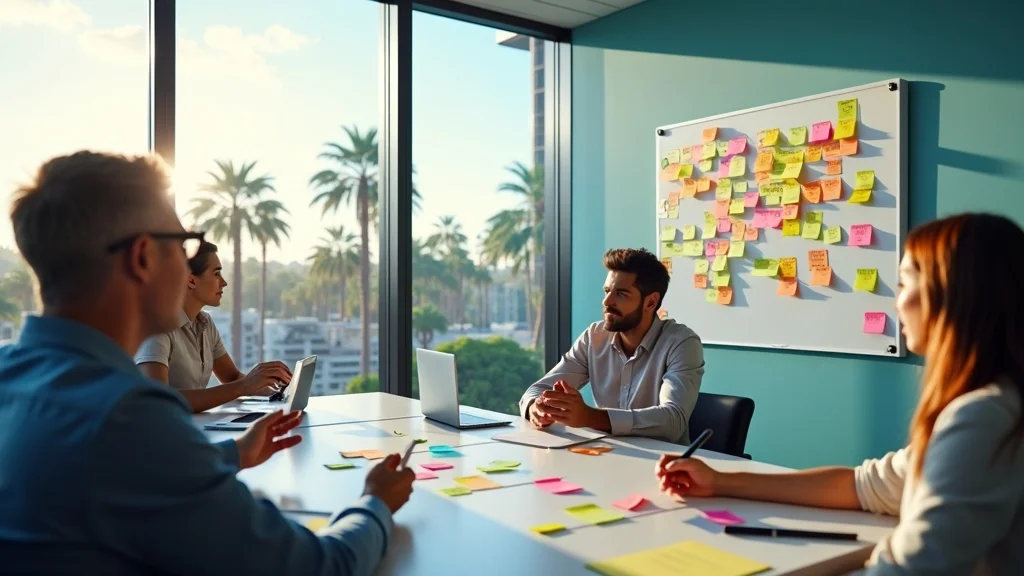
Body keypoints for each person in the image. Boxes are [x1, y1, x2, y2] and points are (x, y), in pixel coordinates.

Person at [0, 151, 415, 575]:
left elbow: (125, 474)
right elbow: (319, 568)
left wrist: (232, 454)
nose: (189, 264)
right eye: (184, 245)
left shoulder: (11, 375)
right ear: (143, 257)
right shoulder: (126, 415)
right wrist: (375, 503)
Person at [656, 213, 1024, 575]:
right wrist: (719, 480)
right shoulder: (994, 404)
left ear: (952, 294)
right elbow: (863, 485)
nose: (896, 303)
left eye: (904, 283)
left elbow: (913, 568)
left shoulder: (985, 416)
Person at [519, 247, 705, 444]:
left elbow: (672, 420)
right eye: (607, 291)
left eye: (621, 294)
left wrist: (591, 417)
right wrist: (536, 408)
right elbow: (538, 389)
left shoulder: (682, 343)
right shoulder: (594, 337)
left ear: (650, 302)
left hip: (664, 465)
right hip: (604, 456)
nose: (607, 302)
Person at [135, 239, 292, 413]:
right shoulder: (157, 327)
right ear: (191, 281)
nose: (223, 282)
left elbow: (232, 378)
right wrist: (244, 386)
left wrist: (276, 387)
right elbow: (158, 400)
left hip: (192, 428)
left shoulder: (205, 324)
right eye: (216, 274)